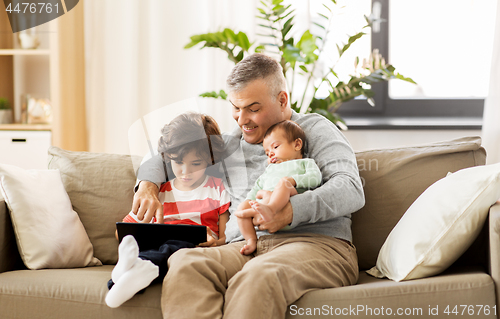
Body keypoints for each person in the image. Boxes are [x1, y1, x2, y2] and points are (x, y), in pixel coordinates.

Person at [133, 53, 365, 319]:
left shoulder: (313, 129)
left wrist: (290, 211)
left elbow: (350, 188)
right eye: (235, 107)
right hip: (242, 247)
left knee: (259, 276)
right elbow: (164, 157)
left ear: (282, 100)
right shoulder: (230, 144)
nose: (241, 119)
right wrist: (147, 185)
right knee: (186, 263)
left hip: (315, 244)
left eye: (253, 109)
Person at [105, 112, 230, 308]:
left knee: (176, 249)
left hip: (195, 252)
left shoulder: (217, 189)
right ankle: (128, 273)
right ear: (167, 158)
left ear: (210, 159)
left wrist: (215, 243)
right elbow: (122, 232)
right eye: (178, 162)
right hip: (156, 249)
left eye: (196, 164)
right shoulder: (159, 193)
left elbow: (226, 239)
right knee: (160, 248)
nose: (185, 172)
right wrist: (143, 232)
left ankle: (131, 273)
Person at [236, 120, 322, 255]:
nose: (270, 154)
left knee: (283, 183)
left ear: (297, 144)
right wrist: (250, 202)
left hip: (291, 201)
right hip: (265, 208)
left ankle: (271, 209)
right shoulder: (269, 170)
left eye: (275, 147)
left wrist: (292, 181)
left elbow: (315, 177)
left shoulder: (304, 163)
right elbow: (256, 190)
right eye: (267, 153)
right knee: (242, 207)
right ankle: (251, 240)